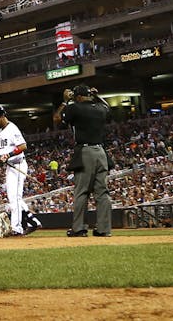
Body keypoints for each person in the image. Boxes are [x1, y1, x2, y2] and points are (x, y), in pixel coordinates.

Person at [55, 84, 111, 237]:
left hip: (85, 151)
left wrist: (65, 101)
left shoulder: (75, 107)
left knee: (81, 191)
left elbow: (57, 119)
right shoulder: (100, 108)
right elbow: (107, 107)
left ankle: (79, 228)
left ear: (78, 97)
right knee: (102, 193)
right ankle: (104, 229)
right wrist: (96, 95)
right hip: (101, 152)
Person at [0, 103, 28, 237]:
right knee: (13, 198)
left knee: (15, 198)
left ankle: (17, 228)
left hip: (18, 165)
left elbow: (23, 146)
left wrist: (9, 155)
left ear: (2, 116)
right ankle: (30, 220)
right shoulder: (0, 132)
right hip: (10, 167)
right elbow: (5, 152)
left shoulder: (12, 128)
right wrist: (1, 157)